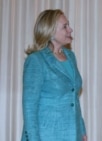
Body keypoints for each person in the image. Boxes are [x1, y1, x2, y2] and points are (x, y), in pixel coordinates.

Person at [21, 9, 87, 141]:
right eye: (65, 26)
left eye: (68, 25)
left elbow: (74, 99)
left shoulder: (70, 56)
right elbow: (29, 108)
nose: (70, 29)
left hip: (73, 134)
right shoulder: (36, 60)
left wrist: (82, 130)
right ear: (50, 31)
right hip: (46, 135)